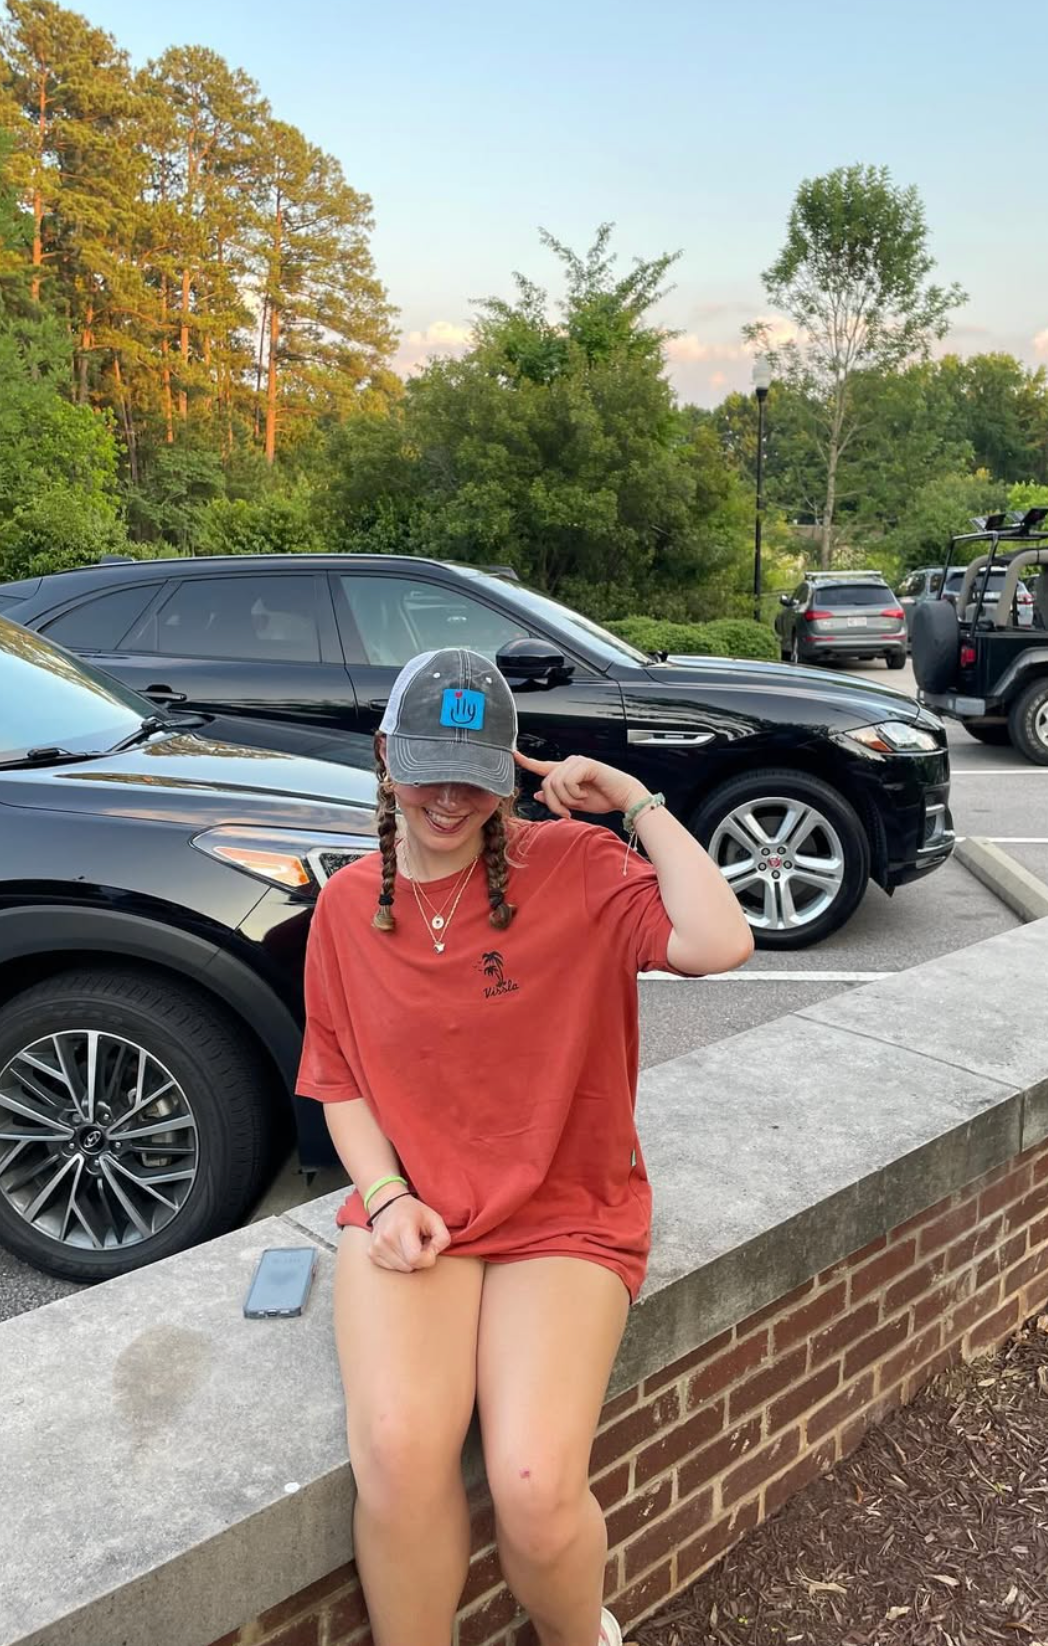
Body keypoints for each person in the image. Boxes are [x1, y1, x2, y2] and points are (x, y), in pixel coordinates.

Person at [296, 647, 754, 1646]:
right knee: (397, 1450)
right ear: (385, 756)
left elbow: (719, 942)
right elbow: (338, 1080)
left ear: (510, 775)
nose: (448, 801)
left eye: (474, 777)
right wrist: (385, 1196)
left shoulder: (574, 864)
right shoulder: (346, 906)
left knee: (535, 1483)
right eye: (428, 770)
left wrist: (634, 799)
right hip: (418, 1206)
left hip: (565, 1210)